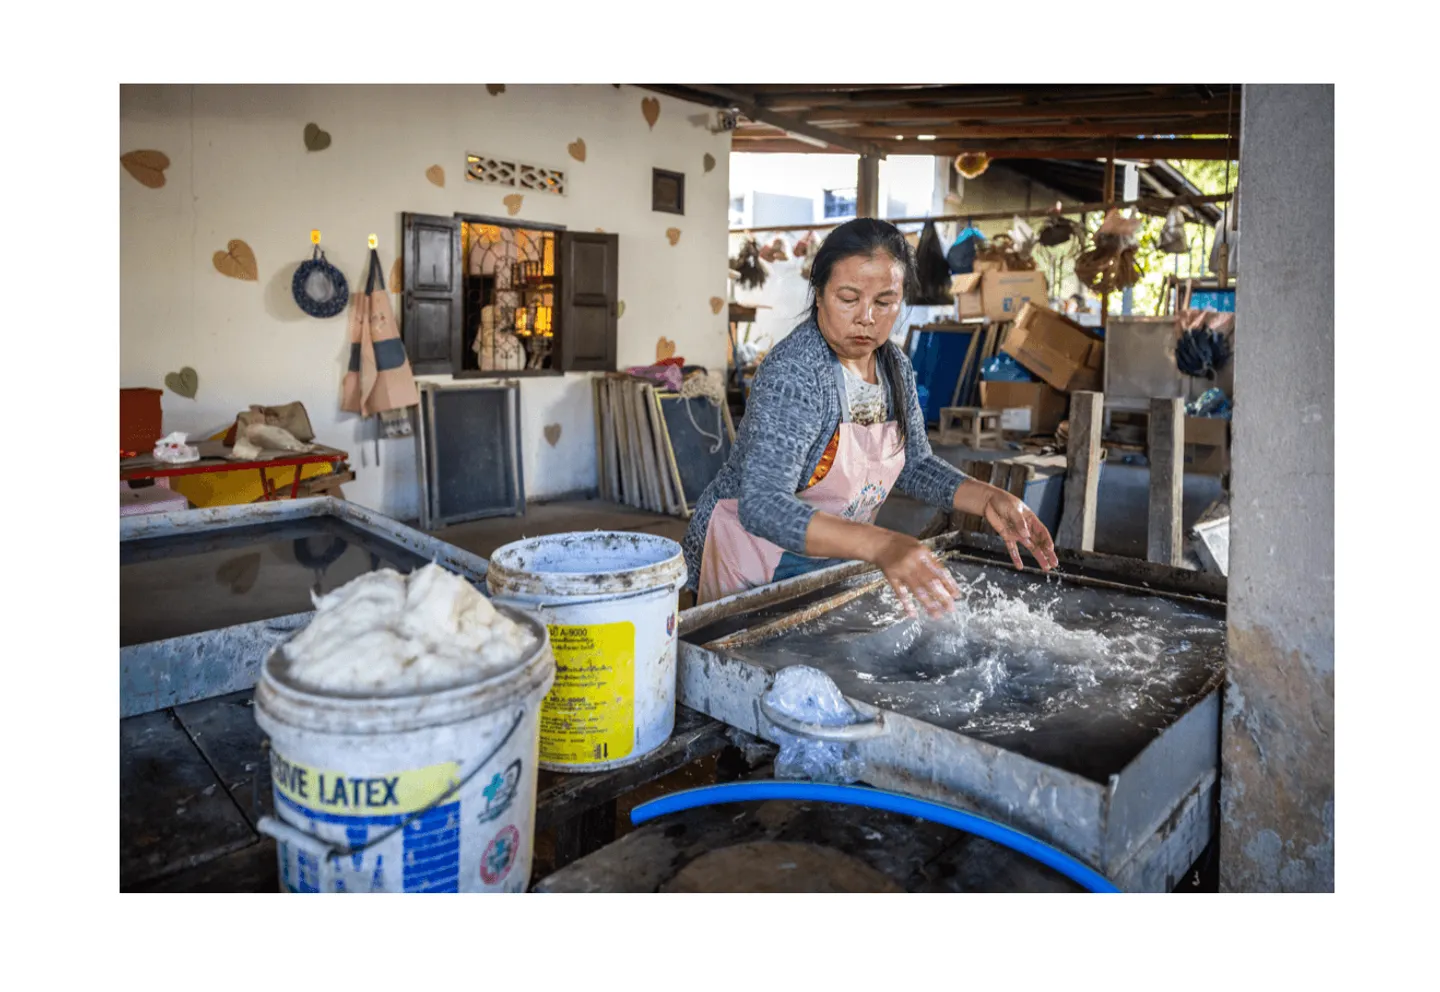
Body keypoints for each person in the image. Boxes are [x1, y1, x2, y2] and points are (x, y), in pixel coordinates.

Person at [683, 218, 1058, 619]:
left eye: (884, 302)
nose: (867, 317)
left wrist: (987, 498)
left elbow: (913, 463)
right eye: (848, 298)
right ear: (820, 294)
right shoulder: (796, 372)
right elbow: (762, 506)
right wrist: (881, 545)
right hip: (751, 554)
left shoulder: (892, 364)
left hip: (829, 548)